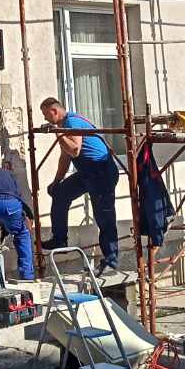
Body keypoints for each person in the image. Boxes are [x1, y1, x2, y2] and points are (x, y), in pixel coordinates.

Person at [41, 97, 120, 275]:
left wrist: (57, 133)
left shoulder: (72, 122)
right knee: (60, 194)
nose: (45, 119)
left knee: (104, 217)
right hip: (87, 172)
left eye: (46, 114)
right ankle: (59, 239)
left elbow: (75, 149)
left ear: (54, 111)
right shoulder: (65, 126)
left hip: (101, 172)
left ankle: (111, 261)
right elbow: (66, 157)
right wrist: (57, 181)